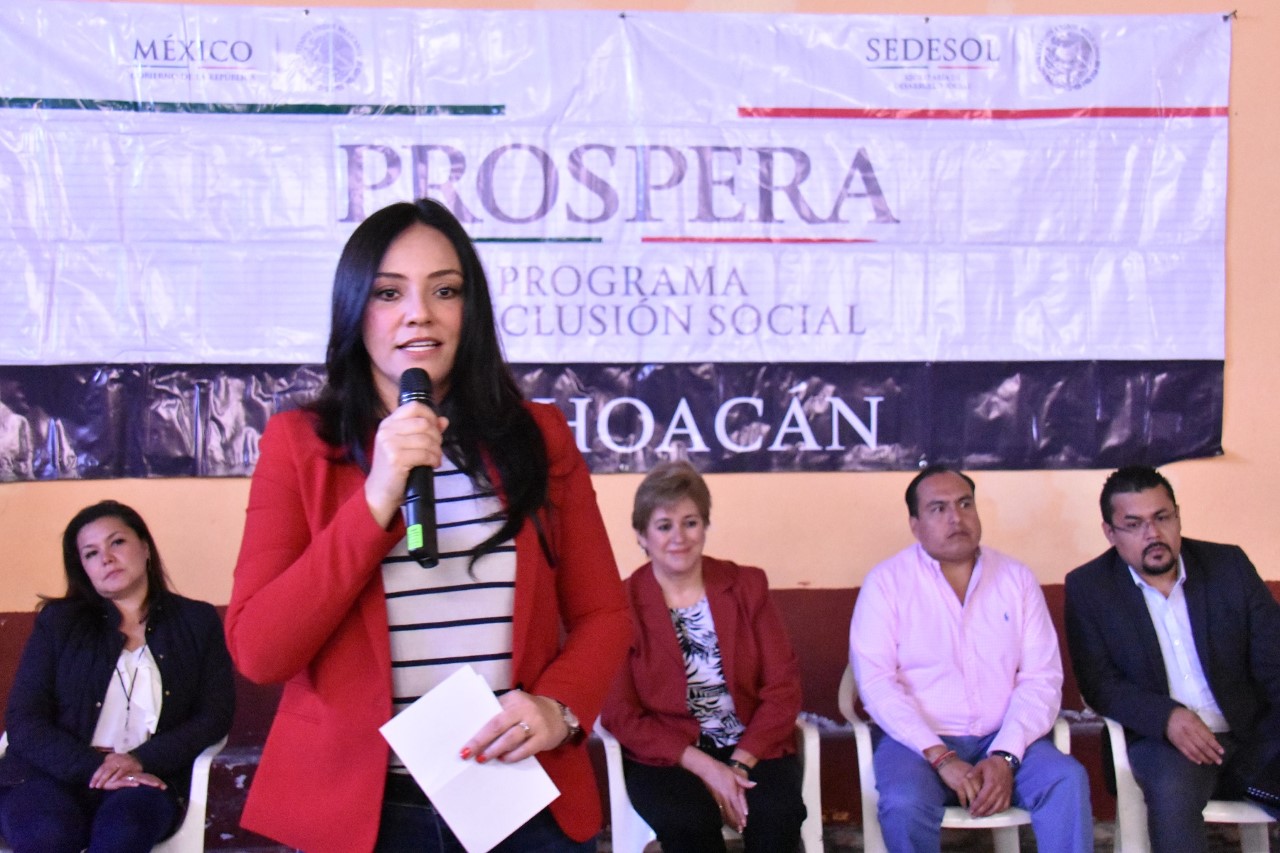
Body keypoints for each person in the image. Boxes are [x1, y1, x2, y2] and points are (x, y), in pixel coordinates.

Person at [225, 198, 631, 853]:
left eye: (445, 290)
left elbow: (604, 614)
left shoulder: (539, 436)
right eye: (389, 292)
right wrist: (376, 499)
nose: (420, 313)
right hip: (361, 812)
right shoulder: (299, 445)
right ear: (355, 310)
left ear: (471, 311)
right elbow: (260, 651)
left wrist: (559, 708)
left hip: (516, 797)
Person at [849, 464, 1093, 853]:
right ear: (914, 525)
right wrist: (940, 756)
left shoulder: (1016, 579)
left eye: (965, 504)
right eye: (938, 508)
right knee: (904, 803)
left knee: (1066, 780)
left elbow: (1042, 677)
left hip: (1004, 735)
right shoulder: (886, 583)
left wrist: (1005, 755)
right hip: (917, 744)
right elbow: (877, 684)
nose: (956, 517)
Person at [1064, 465, 1280, 852]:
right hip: (1163, 742)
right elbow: (1098, 683)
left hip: (1249, 734)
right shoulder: (1090, 588)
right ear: (1110, 533)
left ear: (1177, 516)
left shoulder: (1227, 566)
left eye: (1161, 518)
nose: (1152, 534)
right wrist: (1167, 717)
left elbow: (1274, 658)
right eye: (1134, 525)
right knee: (1172, 792)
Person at [0, 500, 234, 853]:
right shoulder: (58, 623)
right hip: (47, 774)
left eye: (117, 542)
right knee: (47, 834)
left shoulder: (196, 622)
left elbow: (213, 716)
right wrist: (97, 767)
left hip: (145, 778)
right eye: (91, 553)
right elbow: (24, 720)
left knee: (123, 833)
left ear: (145, 547)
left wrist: (139, 760)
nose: (106, 558)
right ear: (83, 568)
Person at [601, 460, 806, 853]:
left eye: (690, 522)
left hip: (752, 745)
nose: (679, 537)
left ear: (705, 526)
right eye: (664, 526)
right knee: (688, 823)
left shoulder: (747, 586)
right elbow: (620, 715)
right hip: (668, 755)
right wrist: (708, 767)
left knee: (777, 815)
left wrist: (738, 764)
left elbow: (783, 688)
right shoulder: (620, 605)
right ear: (642, 535)